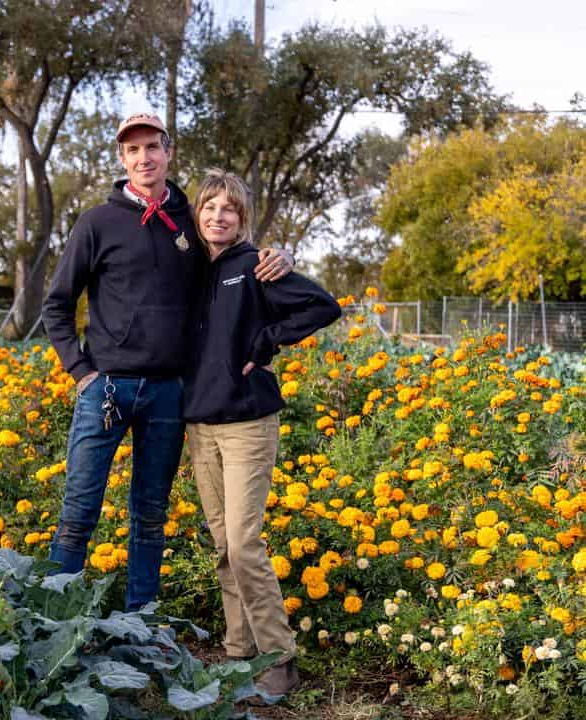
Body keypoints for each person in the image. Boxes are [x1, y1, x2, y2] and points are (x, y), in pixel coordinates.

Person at [41, 113, 292, 611]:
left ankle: (141, 623)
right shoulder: (97, 222)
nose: (144, 158)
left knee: (150, 515)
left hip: (168, 394)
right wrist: (82, 373)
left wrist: (280, 253)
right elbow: (56, 305)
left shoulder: (190, 223)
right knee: (79, 509)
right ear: (122, 158)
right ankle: (54, 622)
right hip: (106, 390)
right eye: (133, 150)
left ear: (168, 152)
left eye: (152, 147)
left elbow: (233, 251)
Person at [183, 169, 341, 698]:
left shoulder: (255, 266)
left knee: (244, 543)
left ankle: (278, 657)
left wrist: (265, 343)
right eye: (209, 206)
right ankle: (237, 652)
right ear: (197, 212)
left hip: (248, 423)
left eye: (228, 208)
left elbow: (323, 306)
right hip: (200, 425)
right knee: (223, 546)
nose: (218, 216)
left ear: (241, 217)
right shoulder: (188, 268)